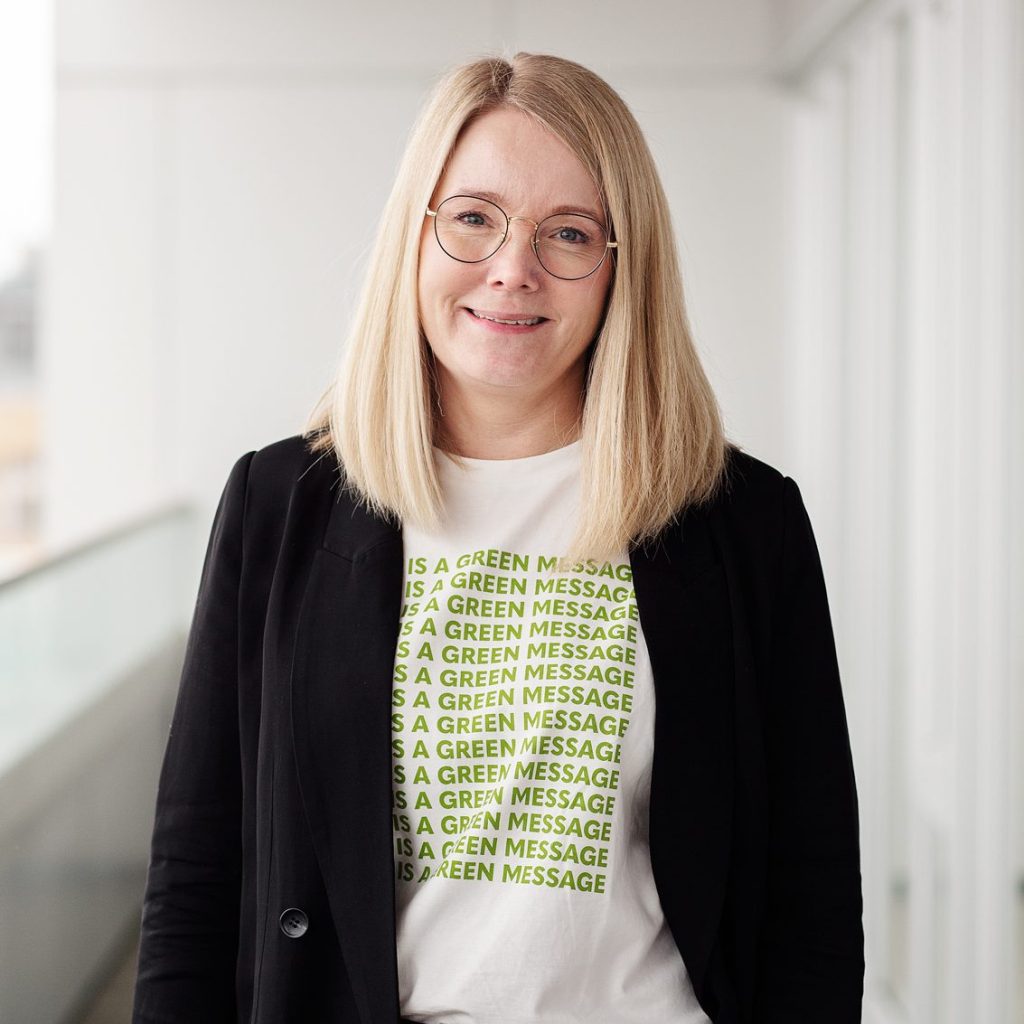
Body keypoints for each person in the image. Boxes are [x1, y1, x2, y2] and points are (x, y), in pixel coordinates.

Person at [132, 52, 864, 1024]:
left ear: (622, 267)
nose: (514, 268)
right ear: (415, 234)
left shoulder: (740, 520)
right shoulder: (280, 505)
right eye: (474, 218)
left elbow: (812, 890)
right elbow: (195, 873)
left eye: (569, 233)